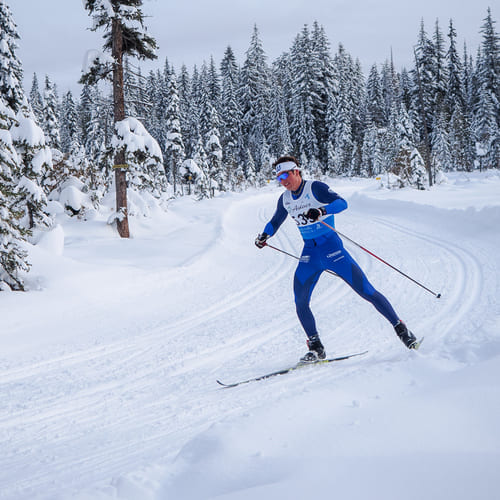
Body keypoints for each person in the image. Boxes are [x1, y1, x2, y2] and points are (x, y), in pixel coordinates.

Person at [255, 155, 418, 363]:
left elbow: (342, 203)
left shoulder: (315, 187)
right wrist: (264, 236)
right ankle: (316, 348)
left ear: (296, 171)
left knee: (366, 291)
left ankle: (402, 329)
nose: (283, 180)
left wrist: (322, 210)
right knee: (300, 301)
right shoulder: (285, 198)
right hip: (310, 254)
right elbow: (276, 220)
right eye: (279, 178)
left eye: (286, 174)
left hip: (332, 250)